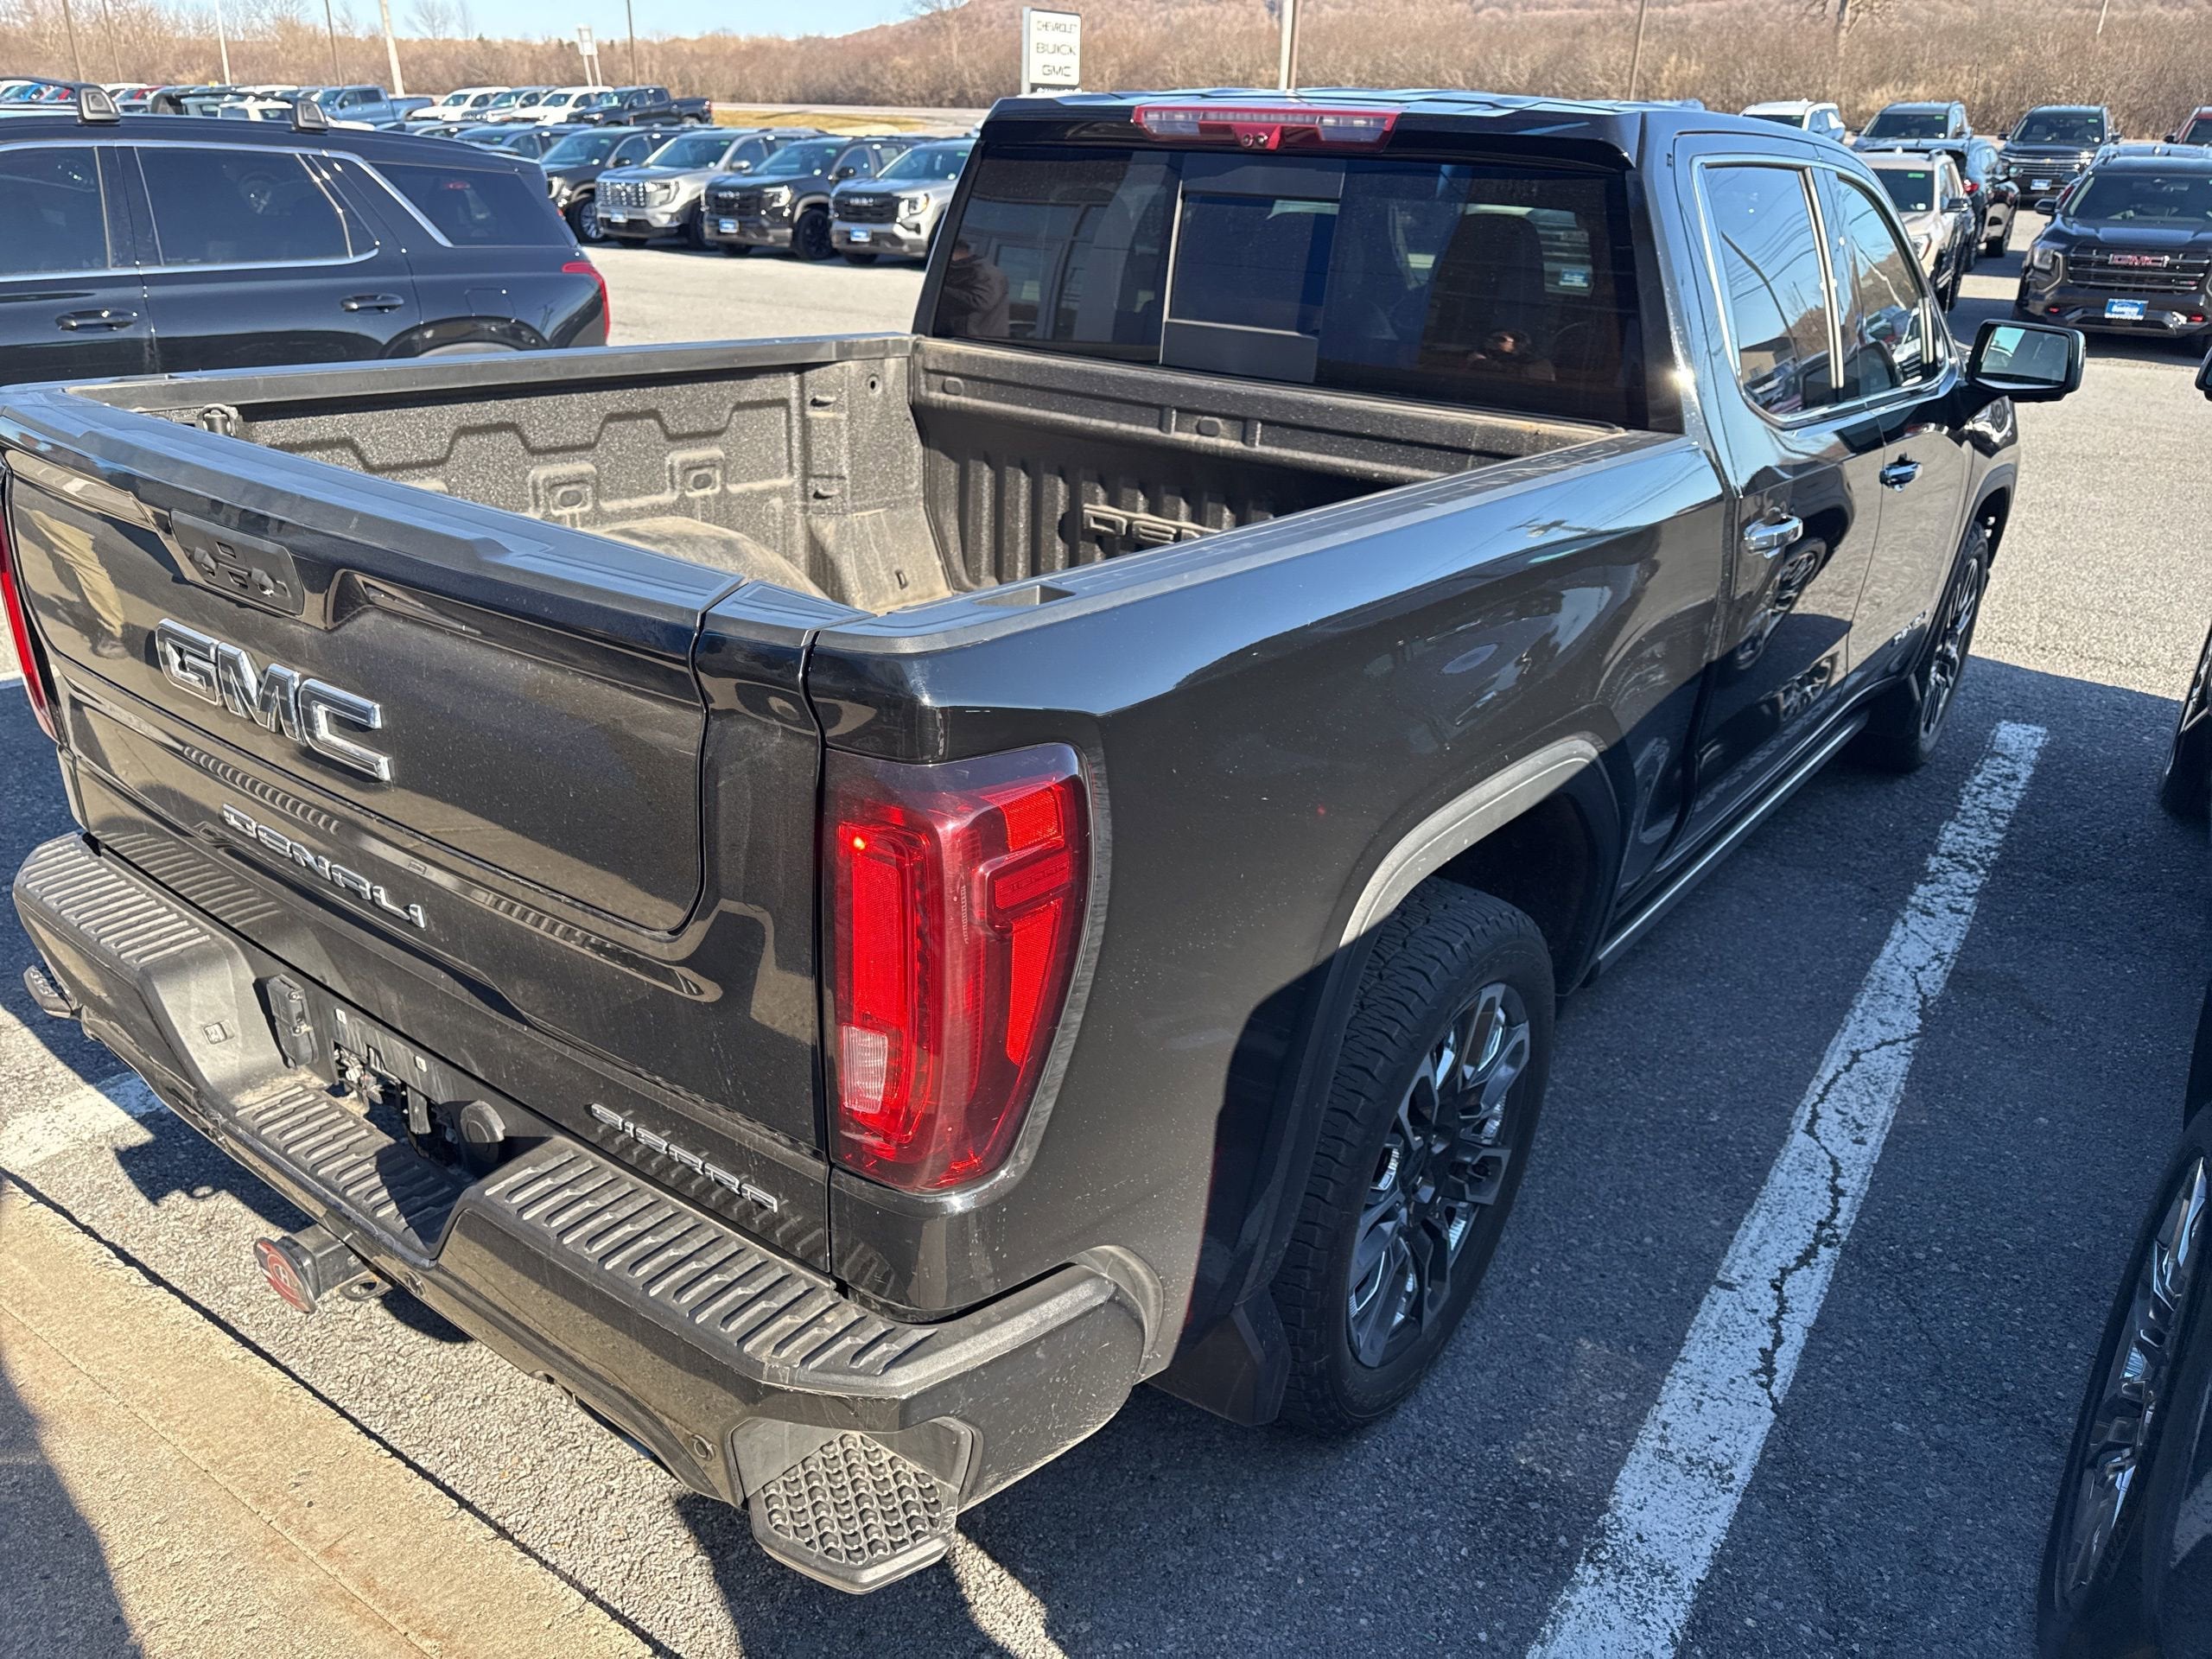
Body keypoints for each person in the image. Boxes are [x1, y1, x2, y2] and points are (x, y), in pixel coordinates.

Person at [938, 240, 1010, 339]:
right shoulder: (964, 269)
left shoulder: (985, 272)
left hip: (978, 339)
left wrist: (941, 289)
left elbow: (981, 302)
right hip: (963, 335)